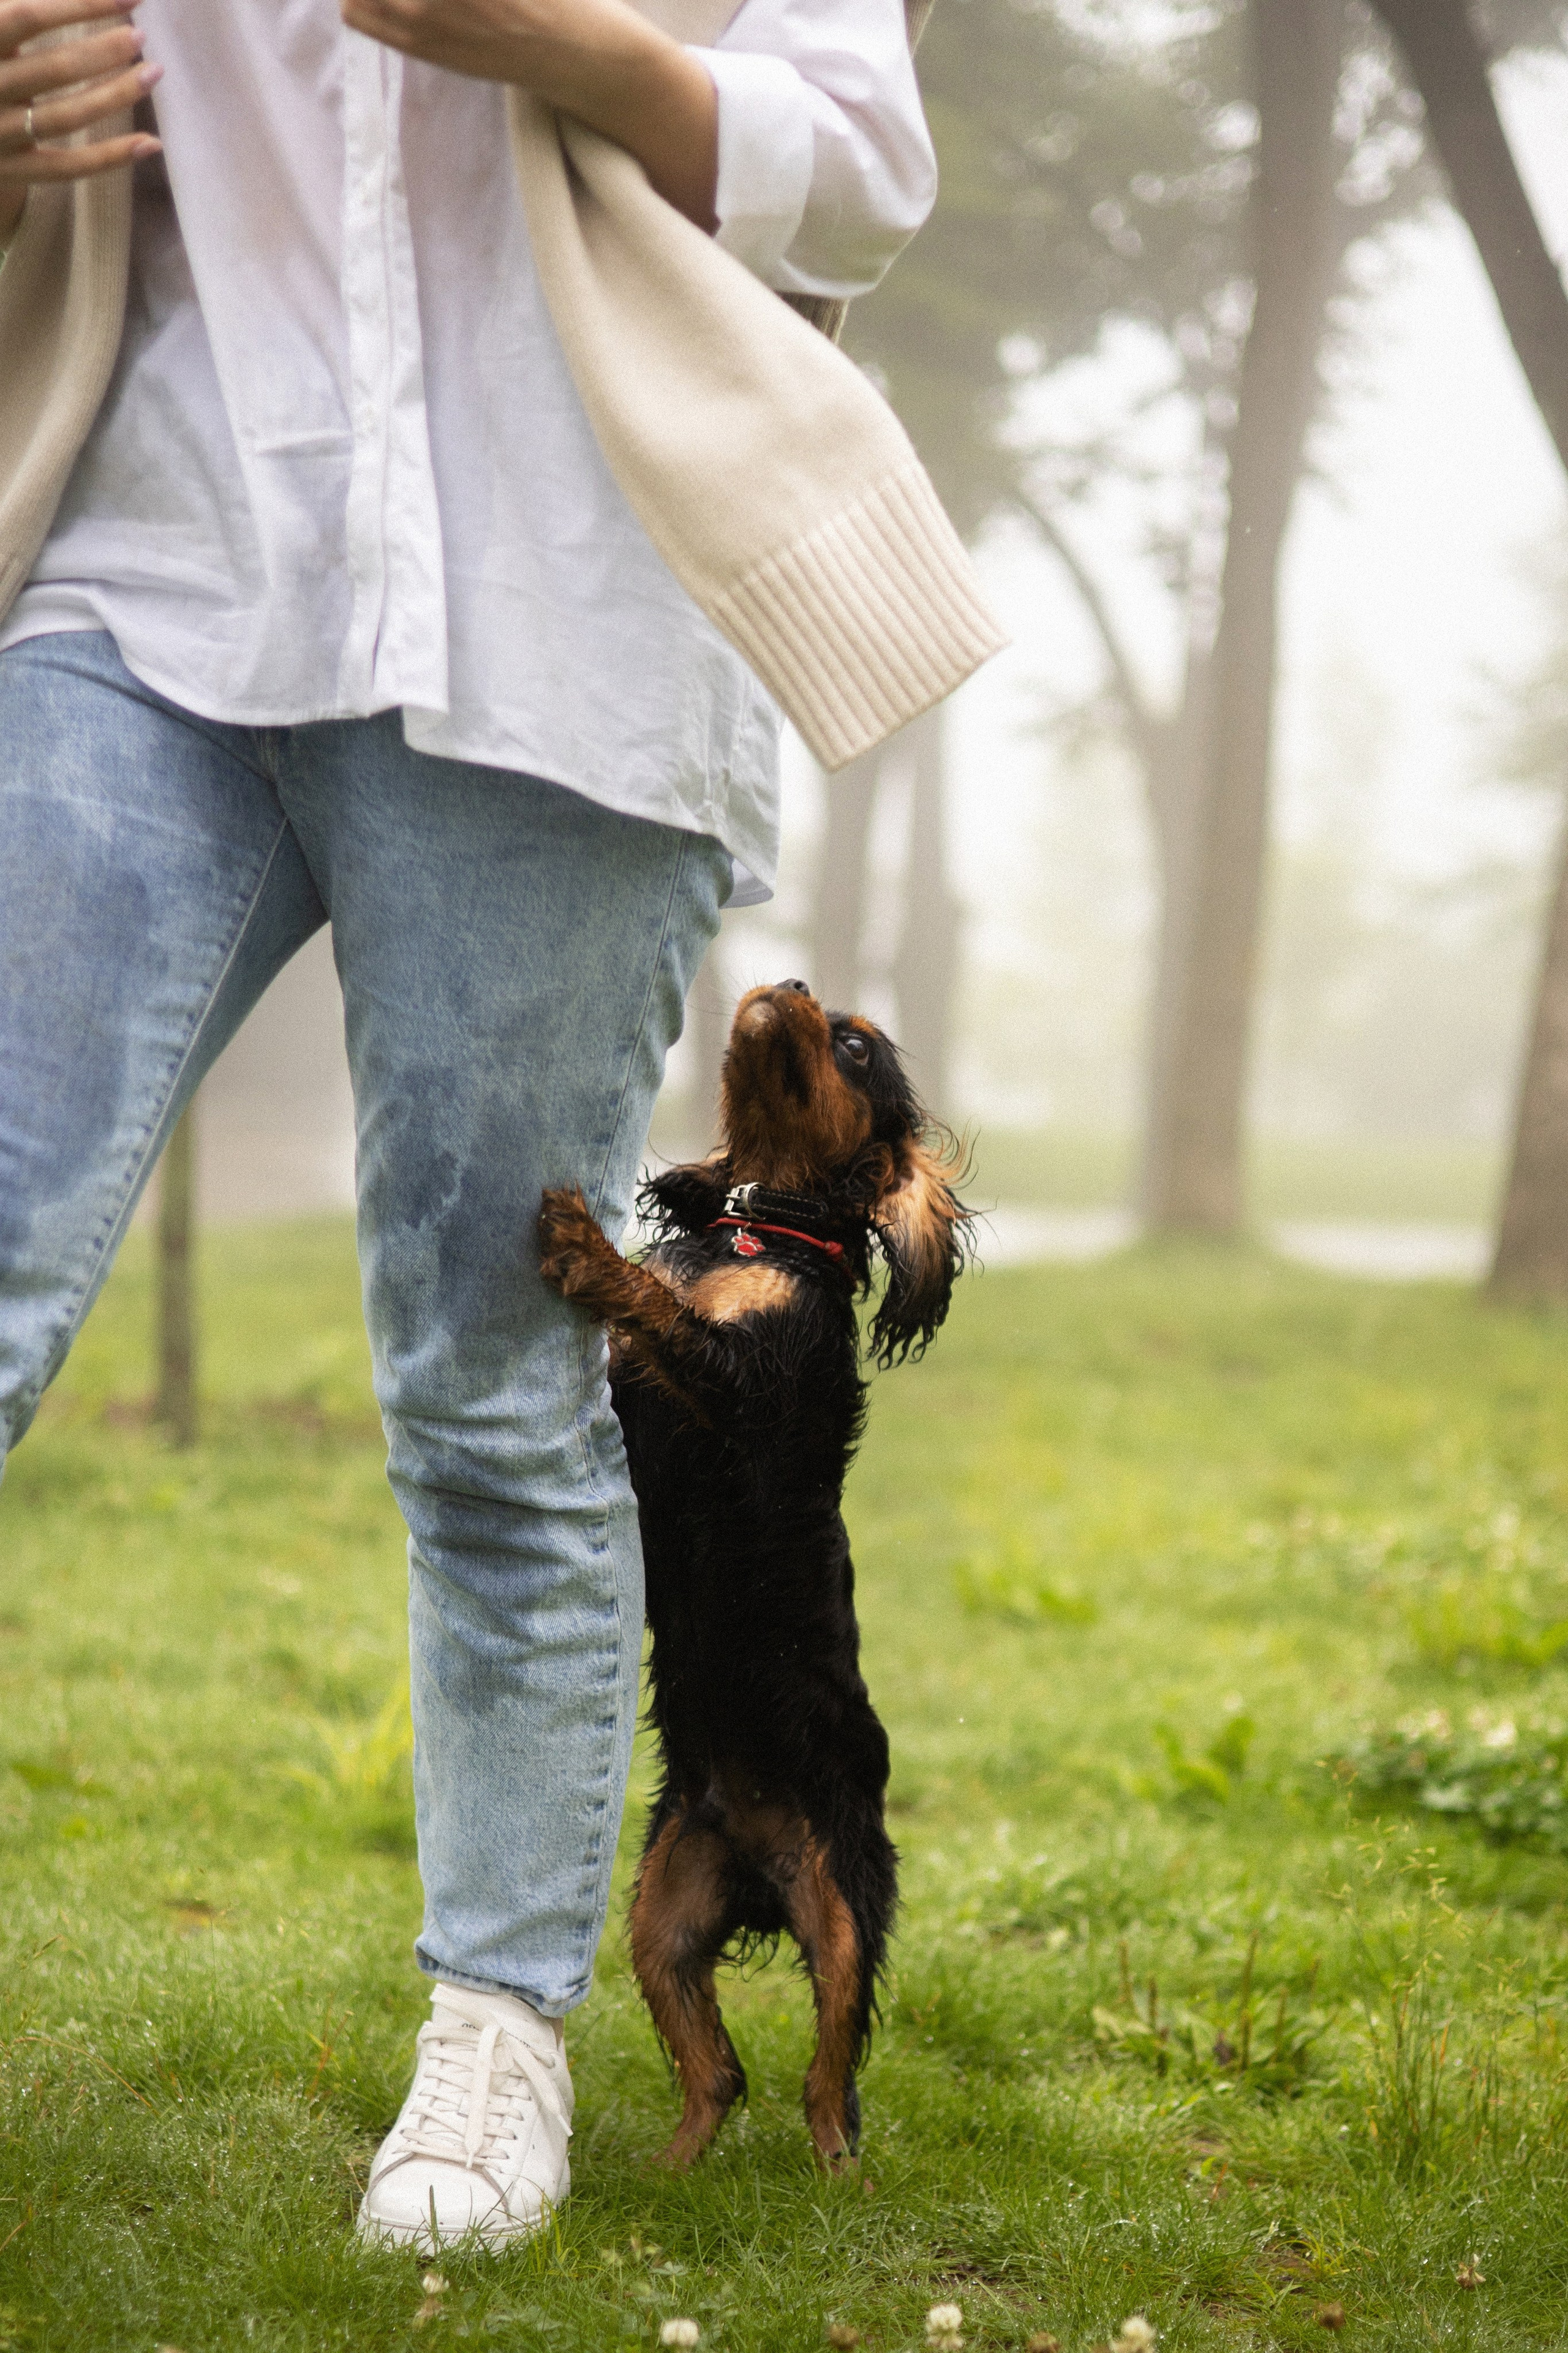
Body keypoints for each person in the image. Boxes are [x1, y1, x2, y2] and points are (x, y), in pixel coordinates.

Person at [0, 0, 940, 2254]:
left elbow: (862, 170)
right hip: (145, 563)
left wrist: (558, 42)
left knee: (494, 1381)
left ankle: (499, 2029)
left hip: (561, 627)